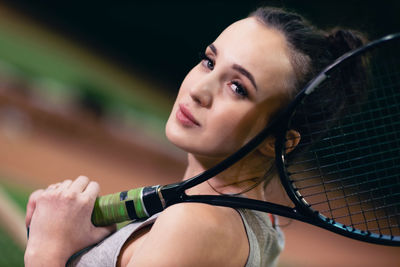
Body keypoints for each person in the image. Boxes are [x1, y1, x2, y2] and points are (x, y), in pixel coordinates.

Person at [24, 7, 366, 267]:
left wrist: (47, 248)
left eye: (237, 87)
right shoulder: (261, 228)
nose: (200, 90)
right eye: (209, 61)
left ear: (277, 140)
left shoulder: (196, 224)